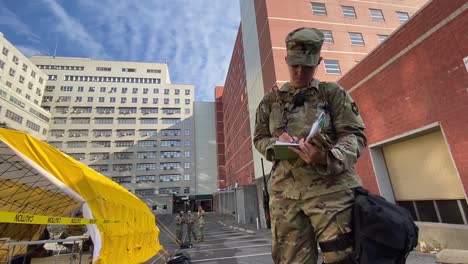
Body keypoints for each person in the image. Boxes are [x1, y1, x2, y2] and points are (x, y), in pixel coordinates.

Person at [253, 27, 367, 264]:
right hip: (286, 196)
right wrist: (275, 145)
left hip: (332, 193)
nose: (299, 71)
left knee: (344, 259)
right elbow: (259, 138)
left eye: (307, 65)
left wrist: (326, 156)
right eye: (294, 64)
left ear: (319, 62)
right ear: (286, 59)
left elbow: (355, 136)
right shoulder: (270, 101)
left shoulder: (332, 93)